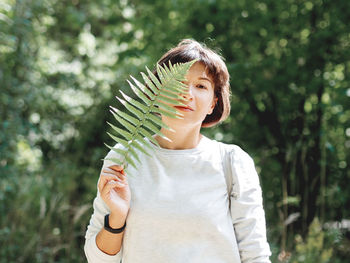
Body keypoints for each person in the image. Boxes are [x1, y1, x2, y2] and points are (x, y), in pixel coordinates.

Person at [84, 39, 271, 263]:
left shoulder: (232, 162)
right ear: (157, 90)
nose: (187, 93)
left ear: (213, 103)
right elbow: (98, 260)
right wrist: (117, 216)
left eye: (201, 86)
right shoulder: (123, 157)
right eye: (178, 82)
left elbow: (255, 256)